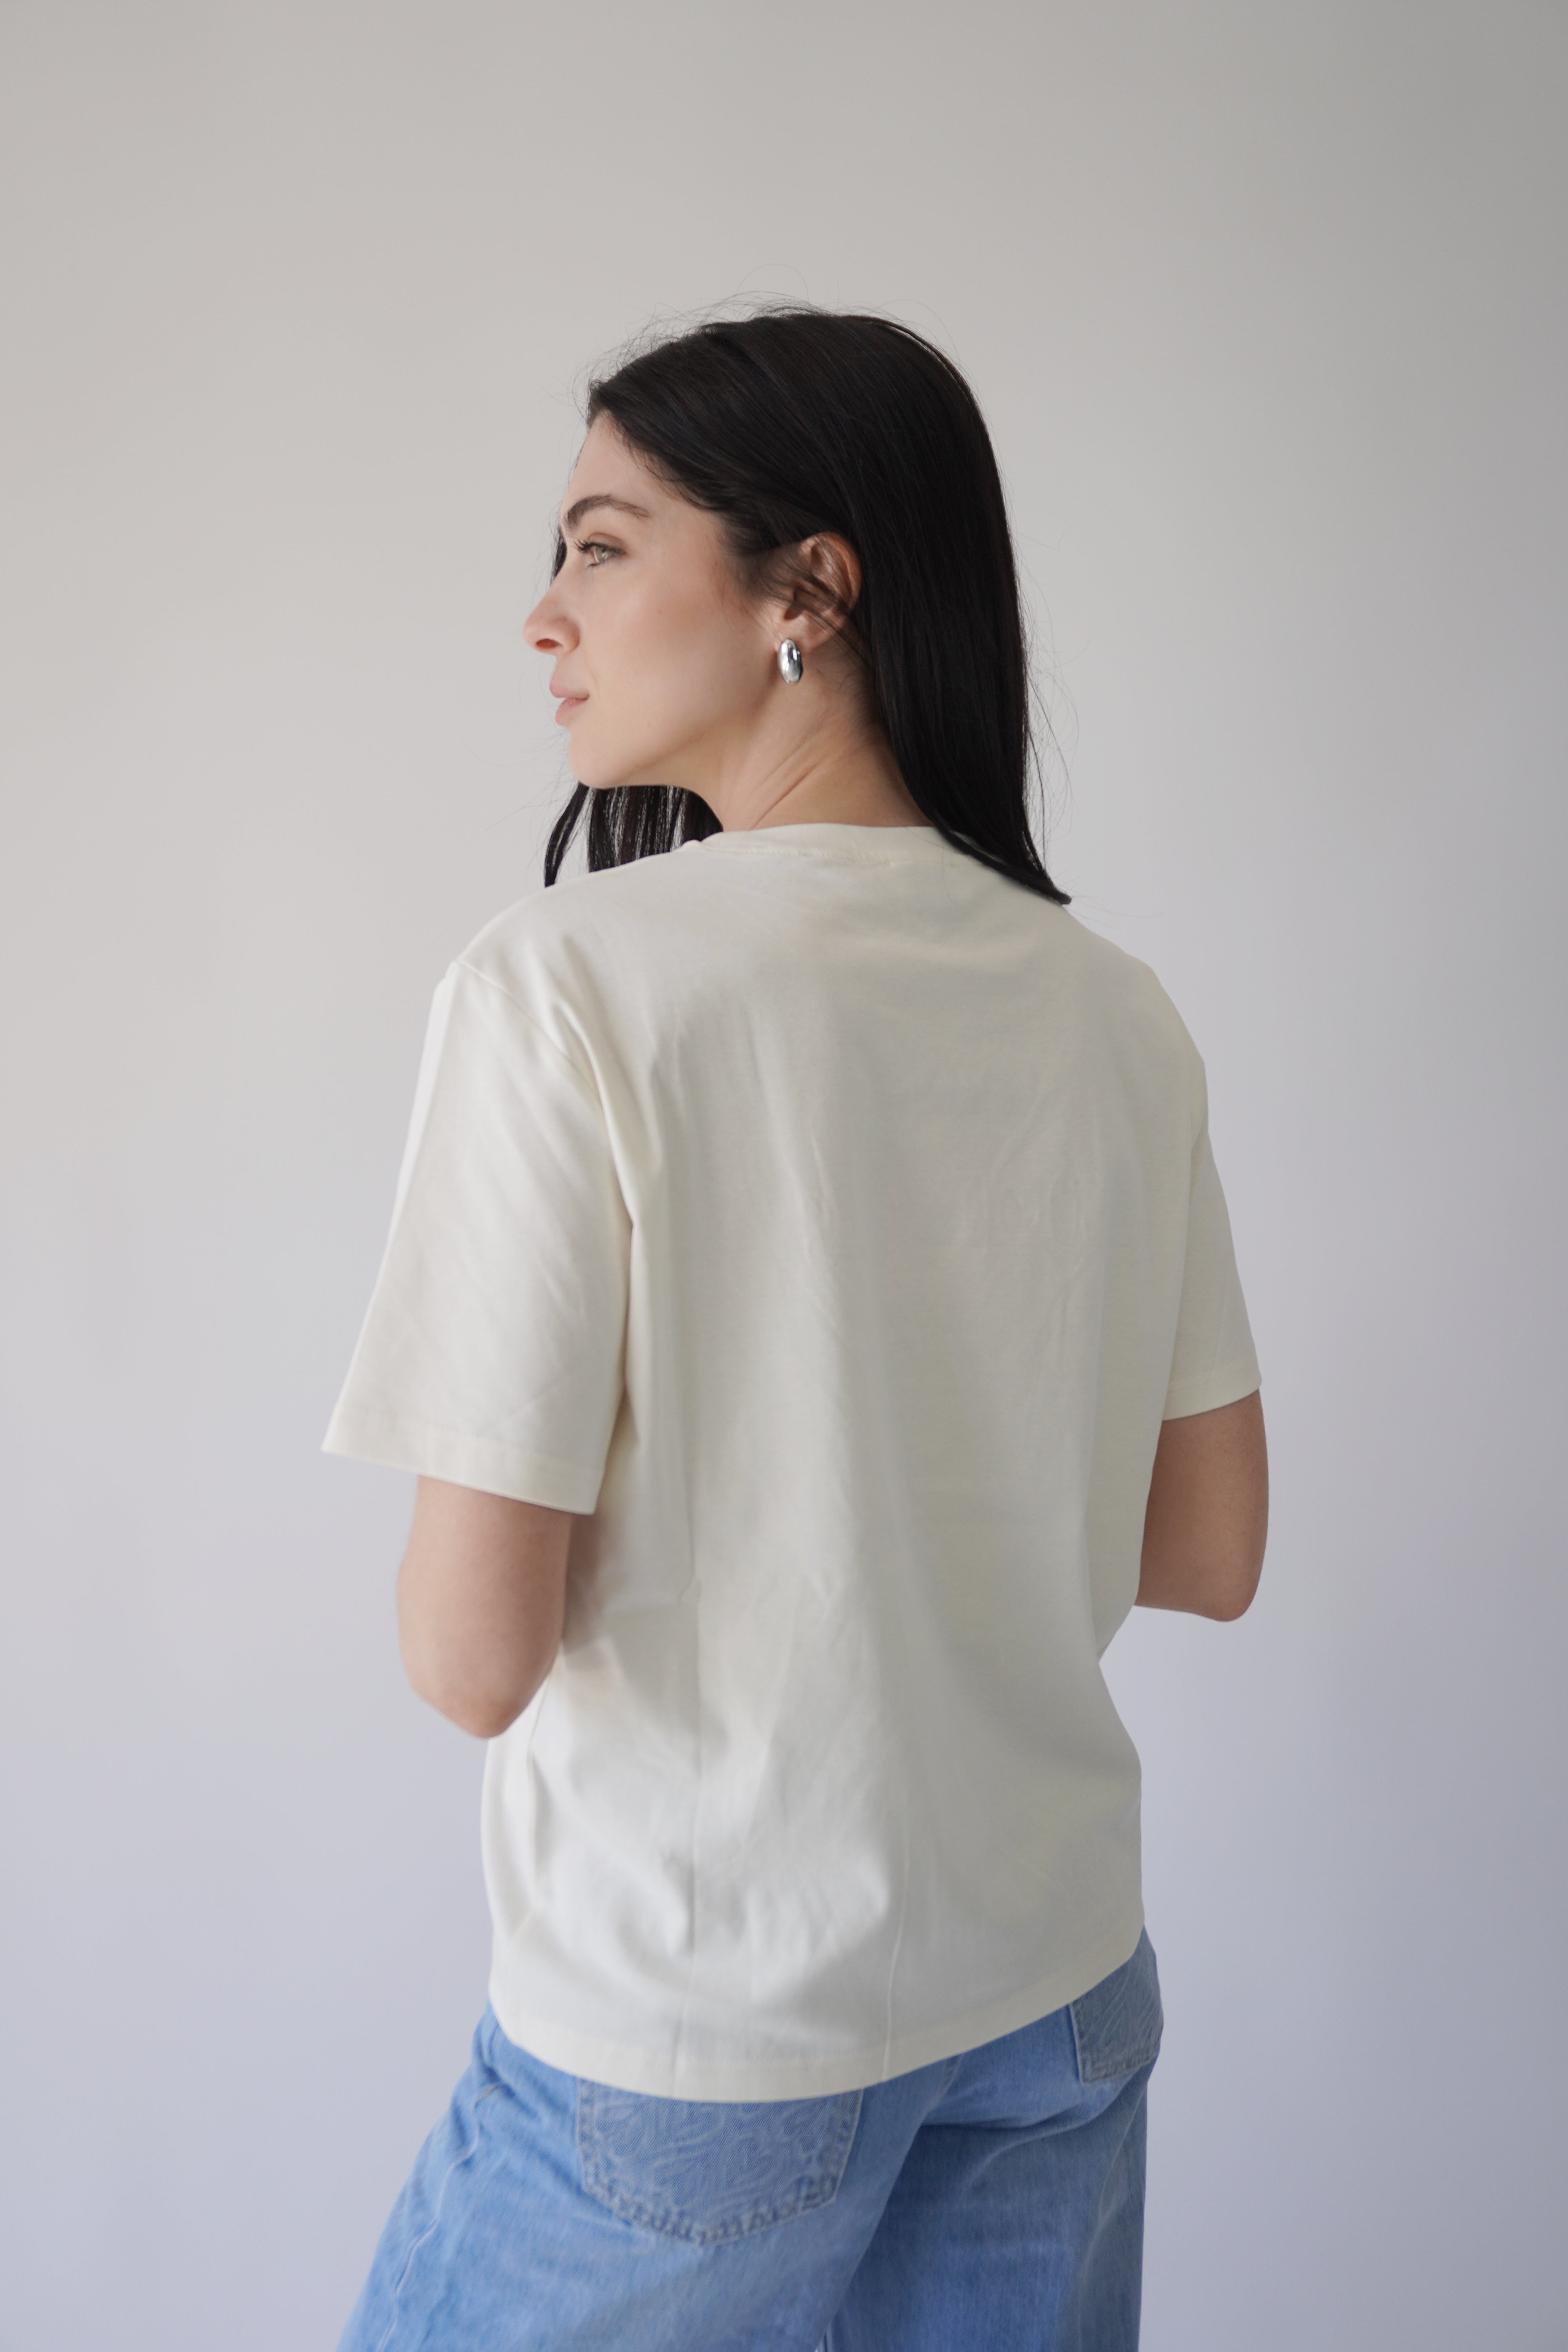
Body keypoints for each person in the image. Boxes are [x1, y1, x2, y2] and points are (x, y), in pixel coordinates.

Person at [323, 306, 1268, 2352]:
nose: (542, 615)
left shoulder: (567, 987)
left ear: (808, 594)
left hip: (701, 2032)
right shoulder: (1115, 1012)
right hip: (1054, 1996)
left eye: (600, 546)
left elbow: (471, 1657)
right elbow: (1209, 1549)